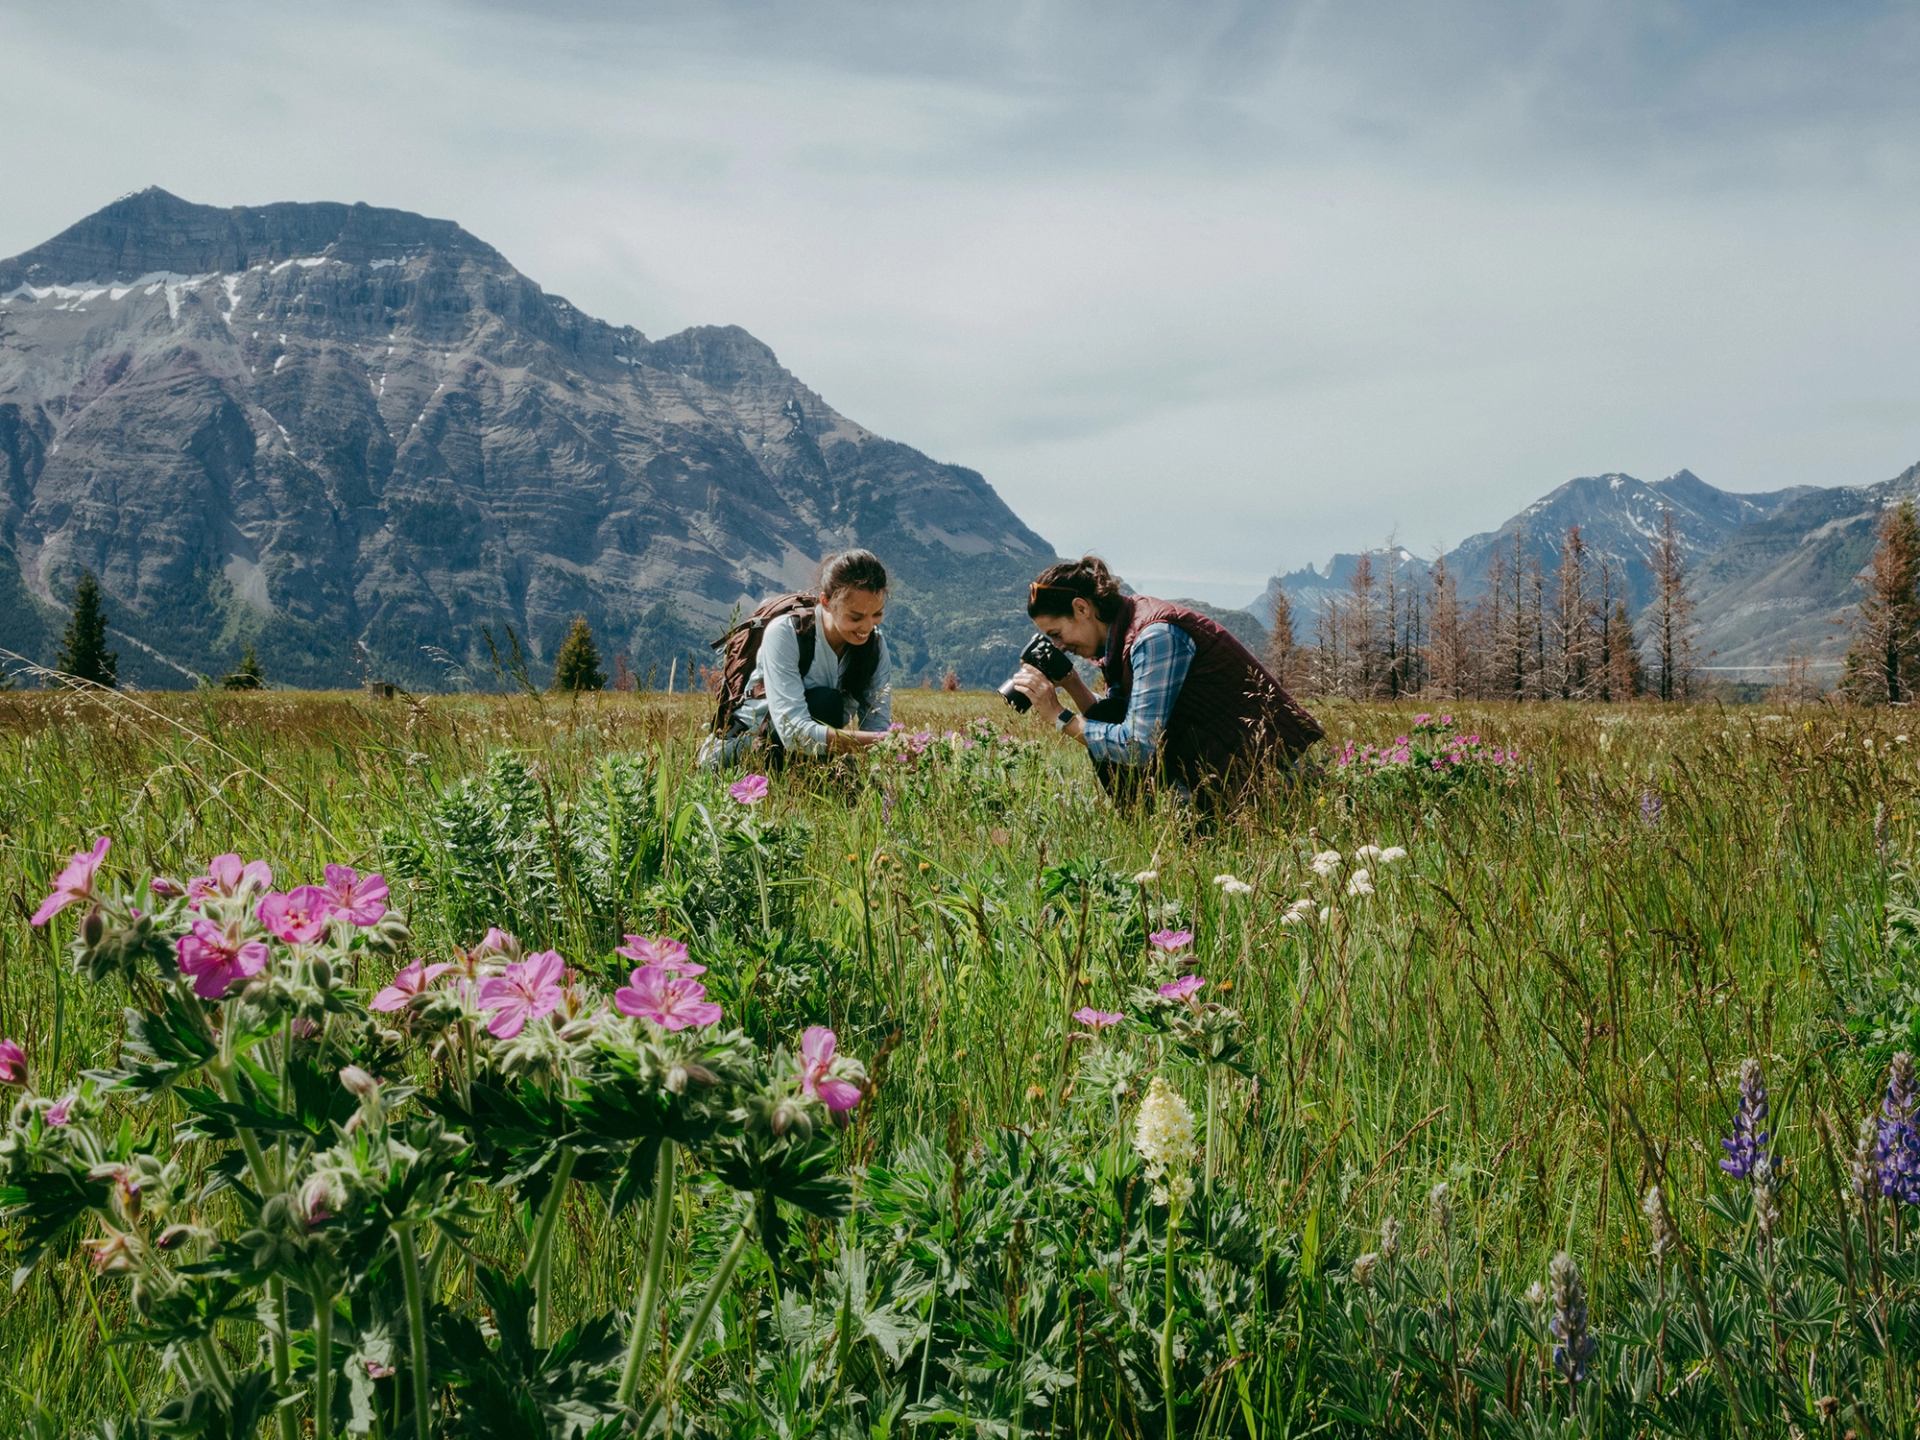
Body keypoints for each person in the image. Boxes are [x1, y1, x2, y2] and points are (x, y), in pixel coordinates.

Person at [1008, 555, 1322, 805]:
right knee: (1104, 724)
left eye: (1057, 635)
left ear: (1082, 608)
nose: (1060, 646)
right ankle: (1175, 822)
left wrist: (1058, 716)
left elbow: (1137, 745)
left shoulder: (1154, 636)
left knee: (1108, 742)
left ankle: (1184, 828)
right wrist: (1072, 682)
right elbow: (1117, 715)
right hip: (1229, 768)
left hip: (1273, 776)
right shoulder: (1126, 630)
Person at [700, 549, 894, 767]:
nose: (867, 627)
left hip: (805, 750)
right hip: (740, 748)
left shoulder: (874, 646)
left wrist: (884, 775)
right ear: (827, 602)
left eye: (877, 614)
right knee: (825, 703)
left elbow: (878, 725)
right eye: (856, 617)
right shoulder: (786, 633)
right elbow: (795, 735)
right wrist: (884, 742)